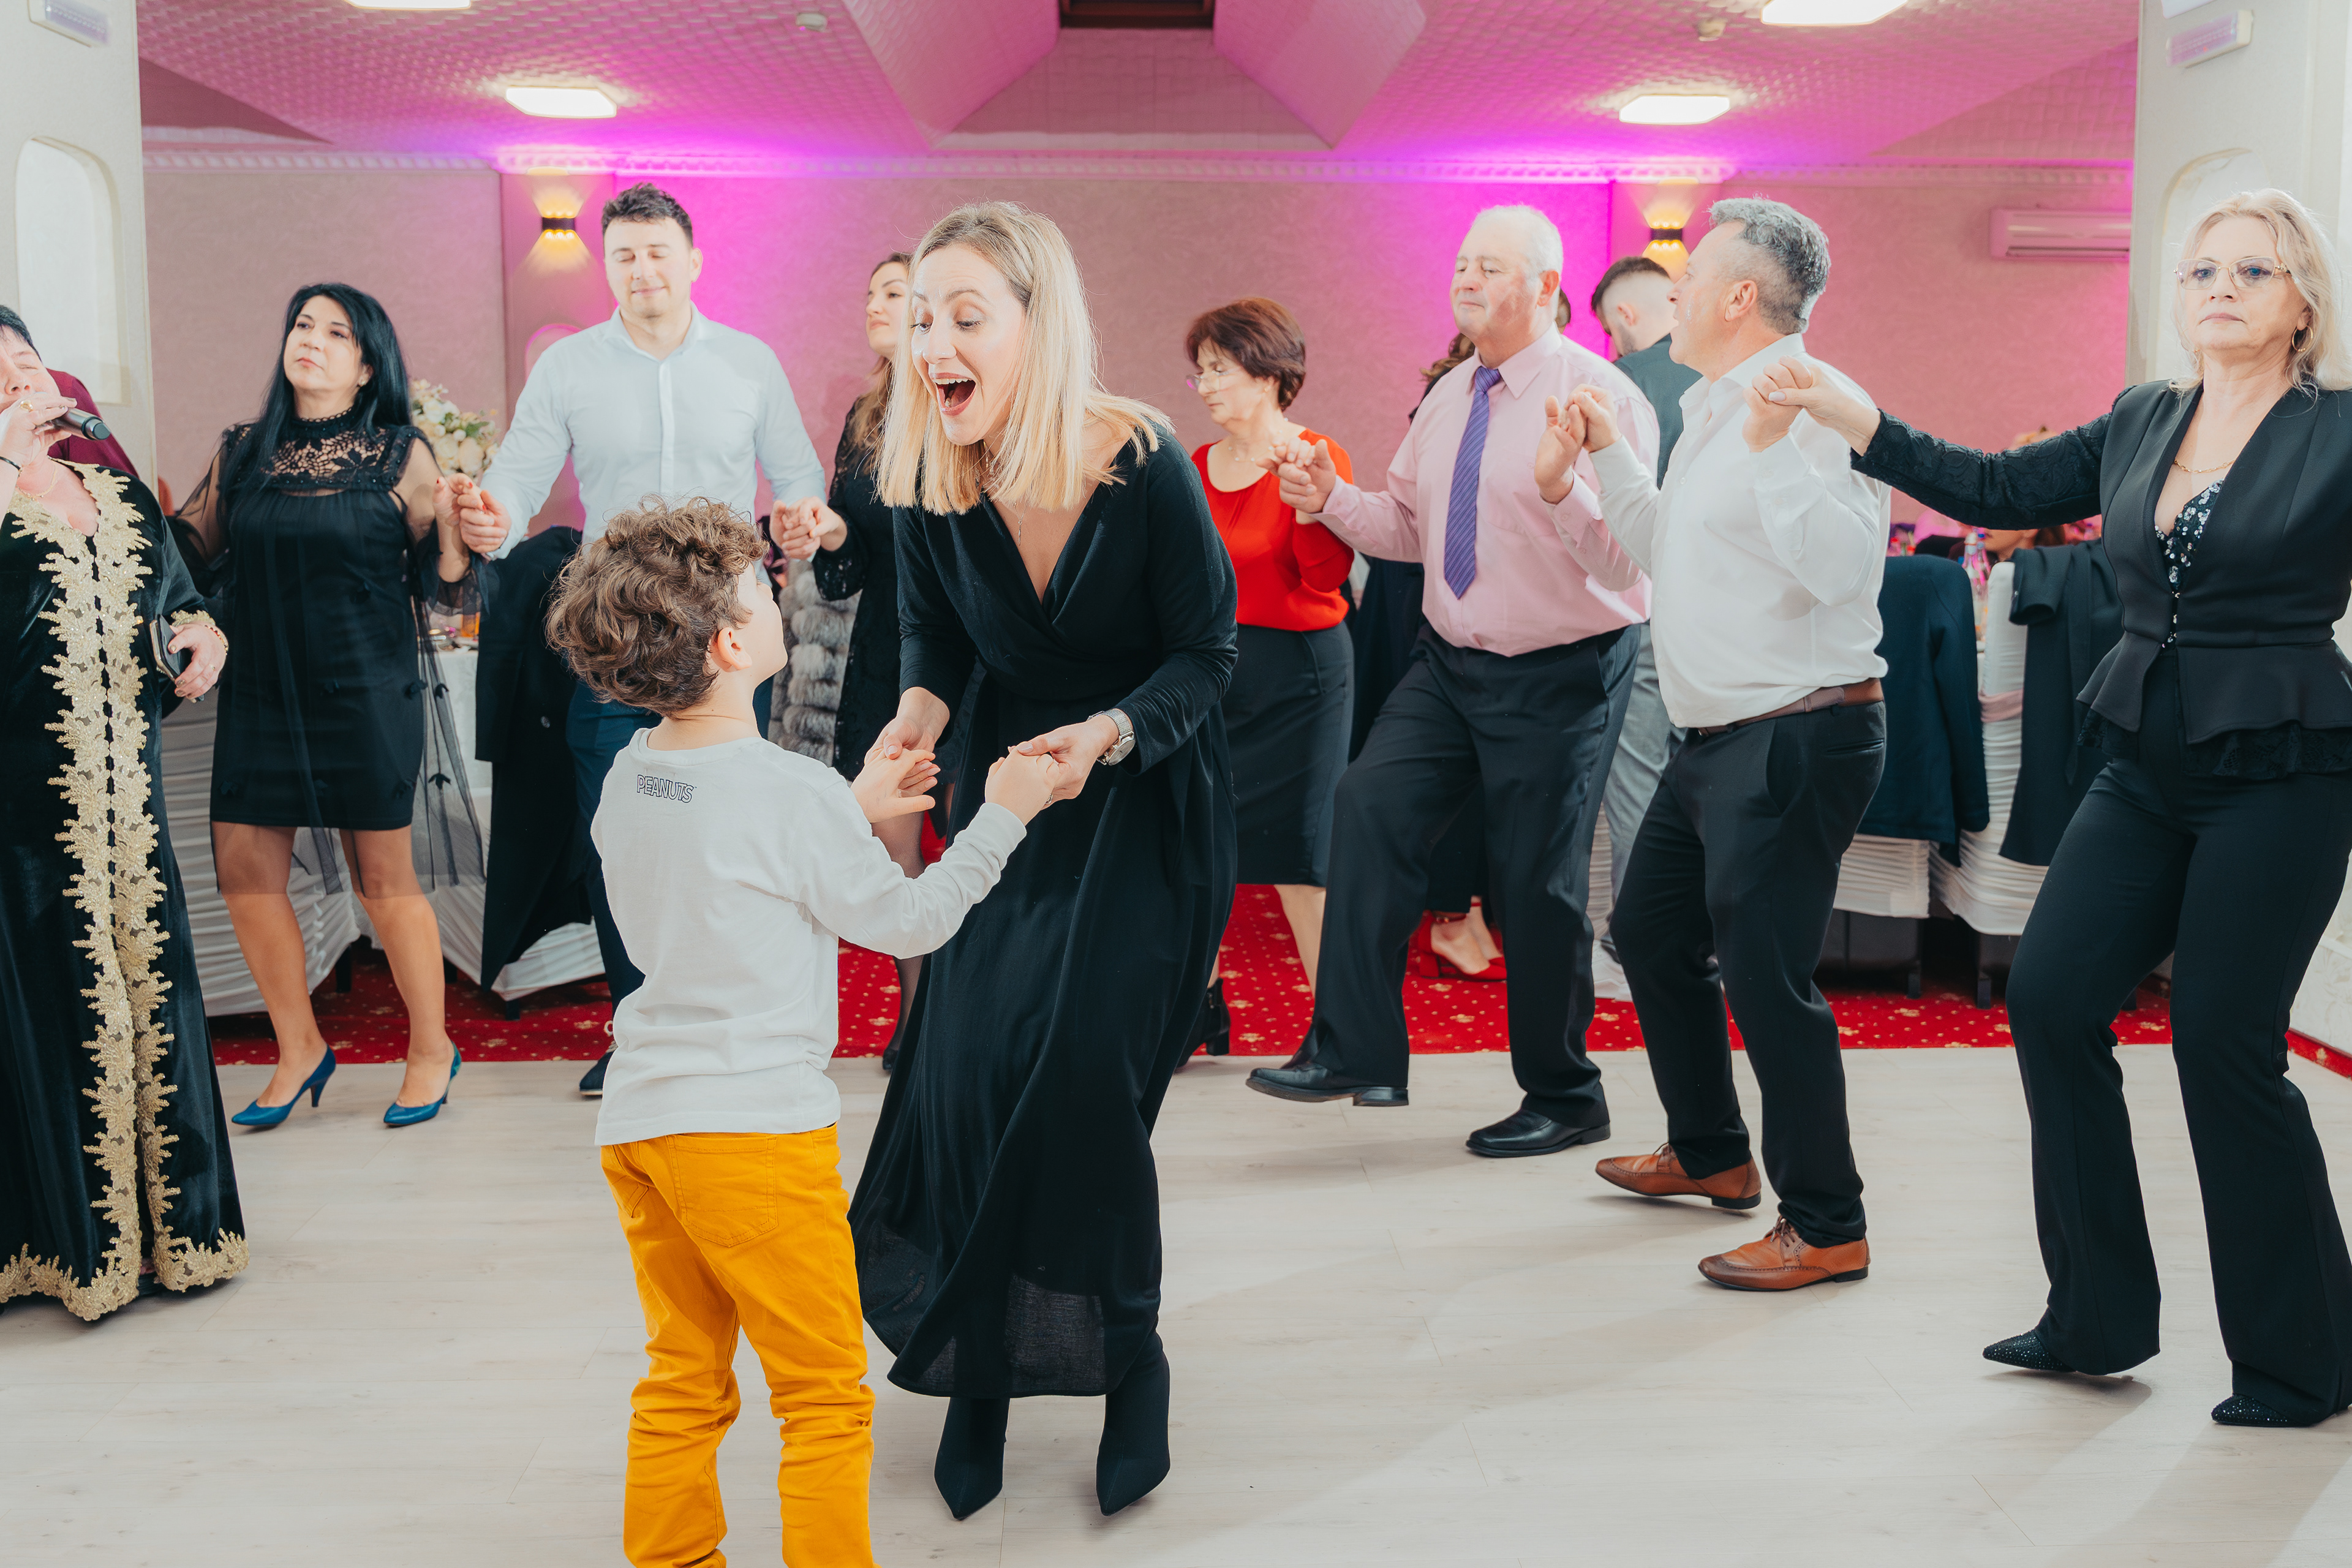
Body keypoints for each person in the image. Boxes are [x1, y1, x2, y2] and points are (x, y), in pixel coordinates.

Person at [1766, 188, 2352, 1427]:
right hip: (2141, 761)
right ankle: (2096, 1314)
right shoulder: (2145, 417)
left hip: (2285, 770)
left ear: (2304, 302)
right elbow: (1991, 482)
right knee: (2050, 998)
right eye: (2202, 270)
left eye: (2253, 270)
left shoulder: (2341, 432)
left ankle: (2304, 1359)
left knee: (2223, 1045)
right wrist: (1855, 415)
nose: (2221, 287)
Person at [545, 495, 1055, 1568]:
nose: (778, 595)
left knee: (683, 1375)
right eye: (760, 591)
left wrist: (845, 805)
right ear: (732, 646)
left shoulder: (631, 776)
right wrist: (1004, 813)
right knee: (824, 1393)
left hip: (643, 1125)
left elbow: (727, 854)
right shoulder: (790, 795)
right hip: (754, 1138)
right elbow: (909, 920)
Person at [846, 202, 1238, 1521]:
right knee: (966, 1073)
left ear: (1037, 323)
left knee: (1080, 1081)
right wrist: (919, 716)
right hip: (1010, 794)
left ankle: (1130, 1358)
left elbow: (1207, 654)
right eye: (923, 319)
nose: (935, 344)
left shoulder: (1143, 459)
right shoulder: (924, 469)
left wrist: (1112, 733)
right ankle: (982, 1366)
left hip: (1147, 797)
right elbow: (936, 637)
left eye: (967, 316)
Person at [1247, 205, 1657, 1159]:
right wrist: (1330, 500)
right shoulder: (1446, 397)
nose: (1466, 278)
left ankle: (1566, 1095)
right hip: (1451, 662)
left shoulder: (1599, 395)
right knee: (1367, 803)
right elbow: (1408, 530)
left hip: (1563, 670)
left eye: (1490, 267)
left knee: (1535, 884)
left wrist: (1561, 485)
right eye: (1463, 263)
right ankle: (1357, 1051)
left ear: (1546, 288)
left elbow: (1629, 563)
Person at [1559, 198, 1893, 1291]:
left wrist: (1774, 451)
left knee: (1766, 980)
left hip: (1798, 732)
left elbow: (1843, 571)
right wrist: (1609, 455)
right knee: (1651, 934)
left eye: (1692, 276)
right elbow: (1670, 549)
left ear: (1741, 295)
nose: (1676, 292)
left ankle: (1827, 1223)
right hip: (1714, 740)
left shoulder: (1814, 405)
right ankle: (1710, 1152)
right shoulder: (1710, 405)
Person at [451, 183, 826, 1098]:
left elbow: (799, 478)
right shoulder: (570, 368)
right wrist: (489, 518)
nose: (641, 268)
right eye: (623, 254)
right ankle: (641, 1031)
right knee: (622, 833)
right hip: (615, 634)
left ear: (693, 260)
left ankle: (735, 1025)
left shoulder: (748, 363)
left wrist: (802, 518)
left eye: (657, 251)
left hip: (726, 632)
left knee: (728, 828)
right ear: (608, 267)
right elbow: (516, 484)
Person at [176, 284, 485, 1129]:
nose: (311, 339)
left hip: (368, 689)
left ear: (368, 364)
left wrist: (456, 531)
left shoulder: (402, 455)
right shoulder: (243, 453)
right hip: (261, 689)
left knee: (383, 880)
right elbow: (185, 554)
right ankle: (299, 1047)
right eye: (303, 325)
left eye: (337, 332)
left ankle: (431, 1049)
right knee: (244, 872)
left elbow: (449, 589)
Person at [0, 306, 245, 1318]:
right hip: (21, 821)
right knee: (47, 1007)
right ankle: (64, 1248)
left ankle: (174, 1235)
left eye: (21, 360)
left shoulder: (114, 493)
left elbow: (177, 599)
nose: (15, 379)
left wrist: (203, 635)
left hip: (128, 807)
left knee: (149, 994)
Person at [772, 251, 927, 1071]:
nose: (874, 304)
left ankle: (995, 1009)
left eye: (893, 292)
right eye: (871, 292)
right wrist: (830, 532)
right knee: (892, 847)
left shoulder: (966, 407)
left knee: (987, 841)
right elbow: (854, 560)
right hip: (885, 655)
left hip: (970, 656)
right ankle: (922, 1016)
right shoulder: (867, 416)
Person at [1185, 296, 1354, 1035]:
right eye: (1200, 372)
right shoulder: (1195, 465)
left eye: (1219, 370)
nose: (1206, 386)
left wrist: (1311, 507)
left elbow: (1325, 579)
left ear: (1267, 374)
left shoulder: (1316, 454)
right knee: (1200, 846)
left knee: (1302, 863)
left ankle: (1341, 1031)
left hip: (1302, 679)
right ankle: (1200, 1009)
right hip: (1215, 676)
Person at [1591, 254, 1706, 912]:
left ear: (1626, 315)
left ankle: (1638, 932)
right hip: (1725, 613)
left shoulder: (1620, 381)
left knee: (1637, 772)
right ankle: (1697, 931)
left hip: (1648, 605)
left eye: (1613, 330)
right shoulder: (1727, 377)